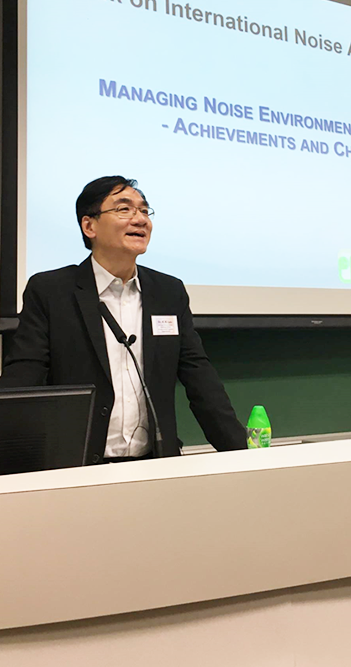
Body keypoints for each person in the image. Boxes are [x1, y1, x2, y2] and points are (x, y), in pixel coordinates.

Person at [0, 176, 247, 462]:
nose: (140, 219)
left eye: (144, 210)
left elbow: (201, 380)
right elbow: (24, 375)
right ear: (89, 226)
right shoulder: (52, 291)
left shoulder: (168, 292)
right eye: (124, 209)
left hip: (154, 463)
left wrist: (242, 456)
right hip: (76, 465)